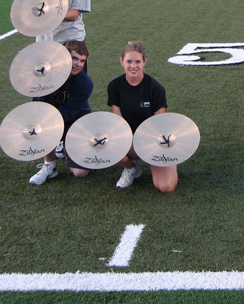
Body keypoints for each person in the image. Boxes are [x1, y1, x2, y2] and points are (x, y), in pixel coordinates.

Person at [108, 42, 176, 192]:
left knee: (166, 187)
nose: (133, 66)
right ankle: (131, 168)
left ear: (144, 62)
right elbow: (119, 122)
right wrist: (125, 140)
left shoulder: (155, 88)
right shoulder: (115, 86)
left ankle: (169, 161)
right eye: (129, 62)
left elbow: (159, 124)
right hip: (130, 140)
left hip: (153, 141)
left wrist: (151, 148)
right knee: (108, 145)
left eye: (137, 62)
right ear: (121, 62)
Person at [28, 40, 93, 185]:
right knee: (41, 121)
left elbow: (68, 113)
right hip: (53, 118)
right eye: (74, 58)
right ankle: (50, 166)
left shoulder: (85, 83)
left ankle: (68, 146)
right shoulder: (48, 75)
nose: (78, 64)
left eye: (82, 61)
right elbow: (39, 105)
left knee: (80, 172)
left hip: (76, 123)